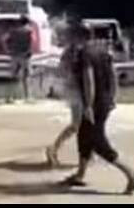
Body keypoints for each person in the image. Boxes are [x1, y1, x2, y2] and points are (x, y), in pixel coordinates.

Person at [60, 23, 134, 195]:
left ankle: (131, 173)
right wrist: (113, 96)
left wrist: (89, 105)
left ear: (78, 36)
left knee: (97, 141)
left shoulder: (85, 54)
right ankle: (80, 174)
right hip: (104, 100)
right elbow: (113, 75)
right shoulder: (103, 51)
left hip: (94, 103)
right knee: (83, 136)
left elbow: (88, 79)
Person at [45, 25, 83, 167]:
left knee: (79, 125)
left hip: (73, 90)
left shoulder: (70, 51)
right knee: (78, 125)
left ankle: (55, 148)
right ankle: (54, 148)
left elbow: (62, 71)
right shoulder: (75, 52)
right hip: (77, 91)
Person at [3, 15, 33, 101]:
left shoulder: (13, 31)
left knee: (13, 77)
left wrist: (7, 50)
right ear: (27, 22)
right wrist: (29, 51)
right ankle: (27, 97)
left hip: (14, 56)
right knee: (26, 77)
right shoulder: (29, 31)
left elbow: (3, 39)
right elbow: (31, 42)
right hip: (25, 56)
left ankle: (10, 96)